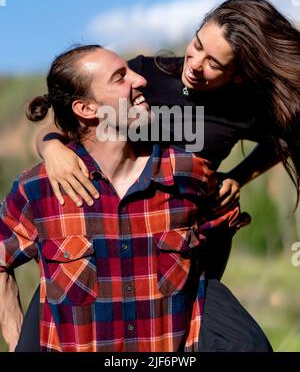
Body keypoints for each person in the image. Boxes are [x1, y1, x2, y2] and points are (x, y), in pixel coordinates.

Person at [0, 44, 271, 352]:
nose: (141, 81)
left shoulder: (188, 175)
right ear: (86, 109)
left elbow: (222, 226)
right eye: (120, 78)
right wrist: (18, 337)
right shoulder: (38, 190)